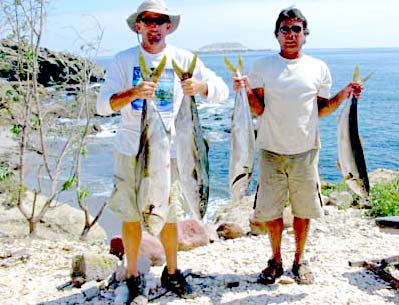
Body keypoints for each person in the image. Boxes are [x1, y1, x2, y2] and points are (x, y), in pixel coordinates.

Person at [96, 0, 228, 302]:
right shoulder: (121, 60)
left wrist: (201, 88)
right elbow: (102, 106)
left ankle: (172, 272)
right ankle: (131, 275)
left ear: (169, 26)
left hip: (170, 154)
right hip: (130, 150)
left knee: (169, 215)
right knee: (130, 216)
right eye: (148, 20)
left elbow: (222, 92)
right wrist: (133, 93)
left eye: (160, 20)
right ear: (138, 25)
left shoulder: (184, 58)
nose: (154, 26)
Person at [233, 7, 363, 285]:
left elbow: (321, 109)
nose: (291, 34)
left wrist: (345, 95)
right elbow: (258, 109)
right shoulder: (262, 66)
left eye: (296, 29)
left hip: (305, 151)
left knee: (304, 209)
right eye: (285, 29)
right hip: (270, 150)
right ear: (276, 34)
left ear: (305, 35)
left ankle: (299, 259)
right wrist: (243, 91)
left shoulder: (318, 68)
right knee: (271, 210)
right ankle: (276, 259)